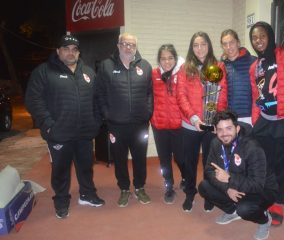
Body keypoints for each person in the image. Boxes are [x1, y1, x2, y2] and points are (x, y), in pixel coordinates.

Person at [25, 34, 105, 219]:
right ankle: (61, 200)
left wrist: (96, 121)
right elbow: (33, 100)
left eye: (74, 49)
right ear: (58, 51)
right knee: (60, 170)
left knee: (86, 166)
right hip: (59, 133)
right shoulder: (44, 71)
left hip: (84, 133)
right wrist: (48, 124)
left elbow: (98, 99)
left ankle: (87, 194)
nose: (71, 52)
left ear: (78, 52)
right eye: (66, 49)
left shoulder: (88, 72)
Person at [249, 21, 284, 226]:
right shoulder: (255, 66)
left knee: (282, 166)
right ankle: (267, 199)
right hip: (264, 123)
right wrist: (256, 121)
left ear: (270, 36)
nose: (258, 41)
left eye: (262, 36)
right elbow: (257, 96)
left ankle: (278, 203)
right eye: (254, 37)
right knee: (266, 165)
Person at [198, 110, 278, 240]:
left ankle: (264, 220)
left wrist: (229, 178)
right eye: (220, 130)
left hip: (262, 190)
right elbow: (209, 170)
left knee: (245, 209)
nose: (224, 134)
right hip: (233, 185)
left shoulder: (252, 147)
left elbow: (257, 185)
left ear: (237, 128)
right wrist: (227, 188)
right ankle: (232, 211)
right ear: (216, 131)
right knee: (204, 187)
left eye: (229, 128)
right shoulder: (216, 143)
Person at [94, 32, 153, 207]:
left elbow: (150, 93)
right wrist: (107, 114)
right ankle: (124, 189)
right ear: (118, 46)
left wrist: (148, 112)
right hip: (116, 125)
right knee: (119, 159)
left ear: (136, 47)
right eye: (125, 44)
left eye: (132, 45)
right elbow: (99, 94)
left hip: (140, 124)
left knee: (140, 158)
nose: (128, 47)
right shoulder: (106, 66)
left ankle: (140, 187)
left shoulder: (145, 66)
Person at [177, 31, 228, 212]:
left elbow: (221, 95)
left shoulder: (216, 66)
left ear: (209, 46)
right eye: (196, 45)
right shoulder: (186, 68)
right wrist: (194, 117)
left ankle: (209, 193)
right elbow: (181, 95)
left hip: (210, 126)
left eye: (203, 44)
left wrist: (213, 120)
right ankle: (190, 193)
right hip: (190, 124)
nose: (200, 49)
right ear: (192, 48)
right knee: (189, 162)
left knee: (209, 162)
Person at [151, 44, 185, 204]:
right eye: (163, 58)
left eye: (170, 58)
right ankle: (169, 186)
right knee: (164, 159)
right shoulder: (153, 74)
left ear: (175, 58)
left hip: (179, 125)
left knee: (181, 158)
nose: (167, 61)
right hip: (159, 125)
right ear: (159, 60)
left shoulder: (182, 74)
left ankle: (185, 178)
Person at [220, 29, 259, 126]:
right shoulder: (221, 66)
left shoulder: (253, 62)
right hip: (229, 119)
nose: (228, 47)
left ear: (238, 43)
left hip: (249, 117)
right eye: (225, 44)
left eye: (231, 42)